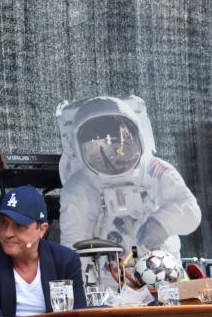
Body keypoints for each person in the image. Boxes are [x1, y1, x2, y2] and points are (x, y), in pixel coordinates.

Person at [56, 95, 201, 287]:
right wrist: (84, 289)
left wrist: (162, 223)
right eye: (100, 149)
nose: (114, 156)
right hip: (110, 283)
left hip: (163, 274)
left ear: (138, 135)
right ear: (80, 148)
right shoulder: (80, 187)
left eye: (120, 144)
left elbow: (190, 210)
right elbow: (74, 245)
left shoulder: (154, 170)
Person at [0, 185, 93, 317]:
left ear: (42, 229)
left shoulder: (65, 260)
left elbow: (79, 315)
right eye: (4, 223)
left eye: (19, 225)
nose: (7, 233)